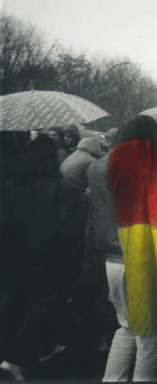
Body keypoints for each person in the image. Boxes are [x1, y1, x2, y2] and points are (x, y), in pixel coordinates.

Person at [0, 136, 85, 380]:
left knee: (15, 302)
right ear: (52, 158)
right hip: (50, 258)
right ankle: (16, 359)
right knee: (43, 306)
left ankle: (15, 351)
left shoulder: (12, 185)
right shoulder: (66, 189)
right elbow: (72, 232)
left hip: (15, 255)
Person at [88, 147, 157, 381]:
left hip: (112, 259)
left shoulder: (96, 168)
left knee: (127, 327)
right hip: (138, 259)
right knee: (149, 334)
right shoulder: (141, 169)